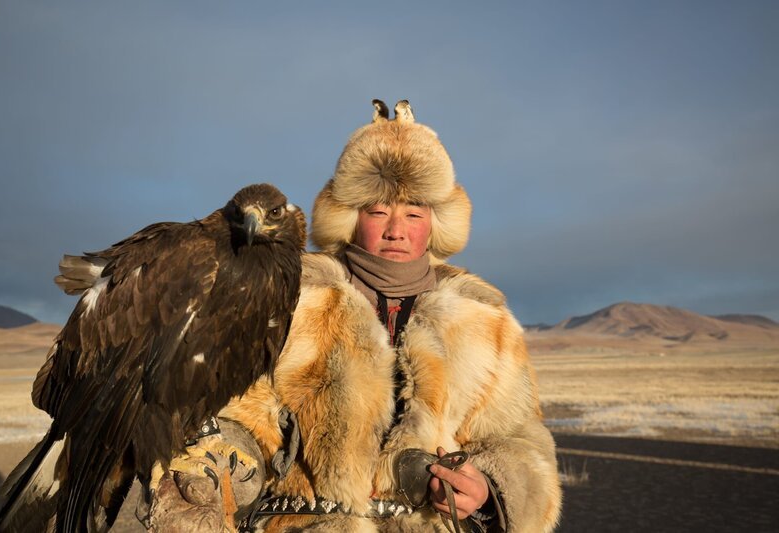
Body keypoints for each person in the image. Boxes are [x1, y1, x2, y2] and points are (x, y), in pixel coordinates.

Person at [143, 99, 562, 532]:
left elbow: (521, 443)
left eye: (413, 214)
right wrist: (221, 467)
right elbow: (242, 419)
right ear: (350, 217)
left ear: (434, 223)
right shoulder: (293, 298)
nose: (396, 229)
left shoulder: (484, 320)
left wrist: (487, 489)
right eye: (378, 212)